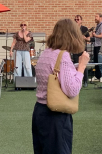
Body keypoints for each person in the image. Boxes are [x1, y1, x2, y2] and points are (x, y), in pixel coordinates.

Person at [32, 18, 89, 154]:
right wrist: (81, 67)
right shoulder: (62, 56)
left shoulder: (47, 53)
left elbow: (55, 74)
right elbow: (72, 90)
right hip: (56, 115)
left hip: (40, 111)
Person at [89, 13, 102, 79]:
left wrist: (95, 35)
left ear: (101, 17)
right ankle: (97, 75)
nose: (95, 18)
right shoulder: (98, 26)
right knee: (96, 61)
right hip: (96, 45)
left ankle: (101, 76)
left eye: (96, 16)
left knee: (100, 61)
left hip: (100, 46)